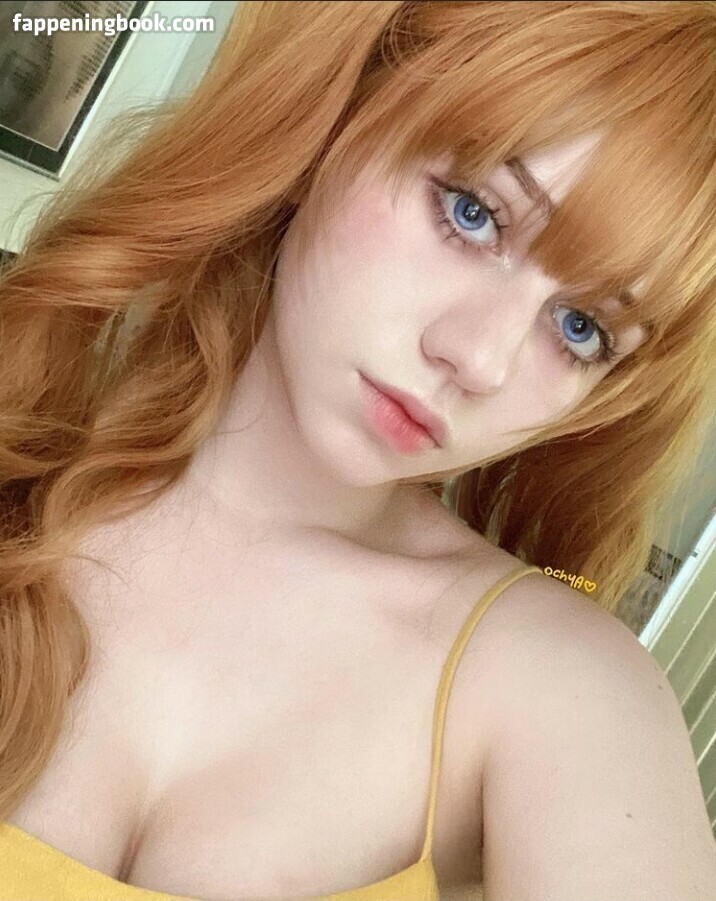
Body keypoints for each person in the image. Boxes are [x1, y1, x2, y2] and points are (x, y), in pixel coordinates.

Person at [0, 1, 714, 899]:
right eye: (473, 213)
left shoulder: (558, 687)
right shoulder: (21, 448)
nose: (479, 359)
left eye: (581, 328)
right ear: (340, 110)